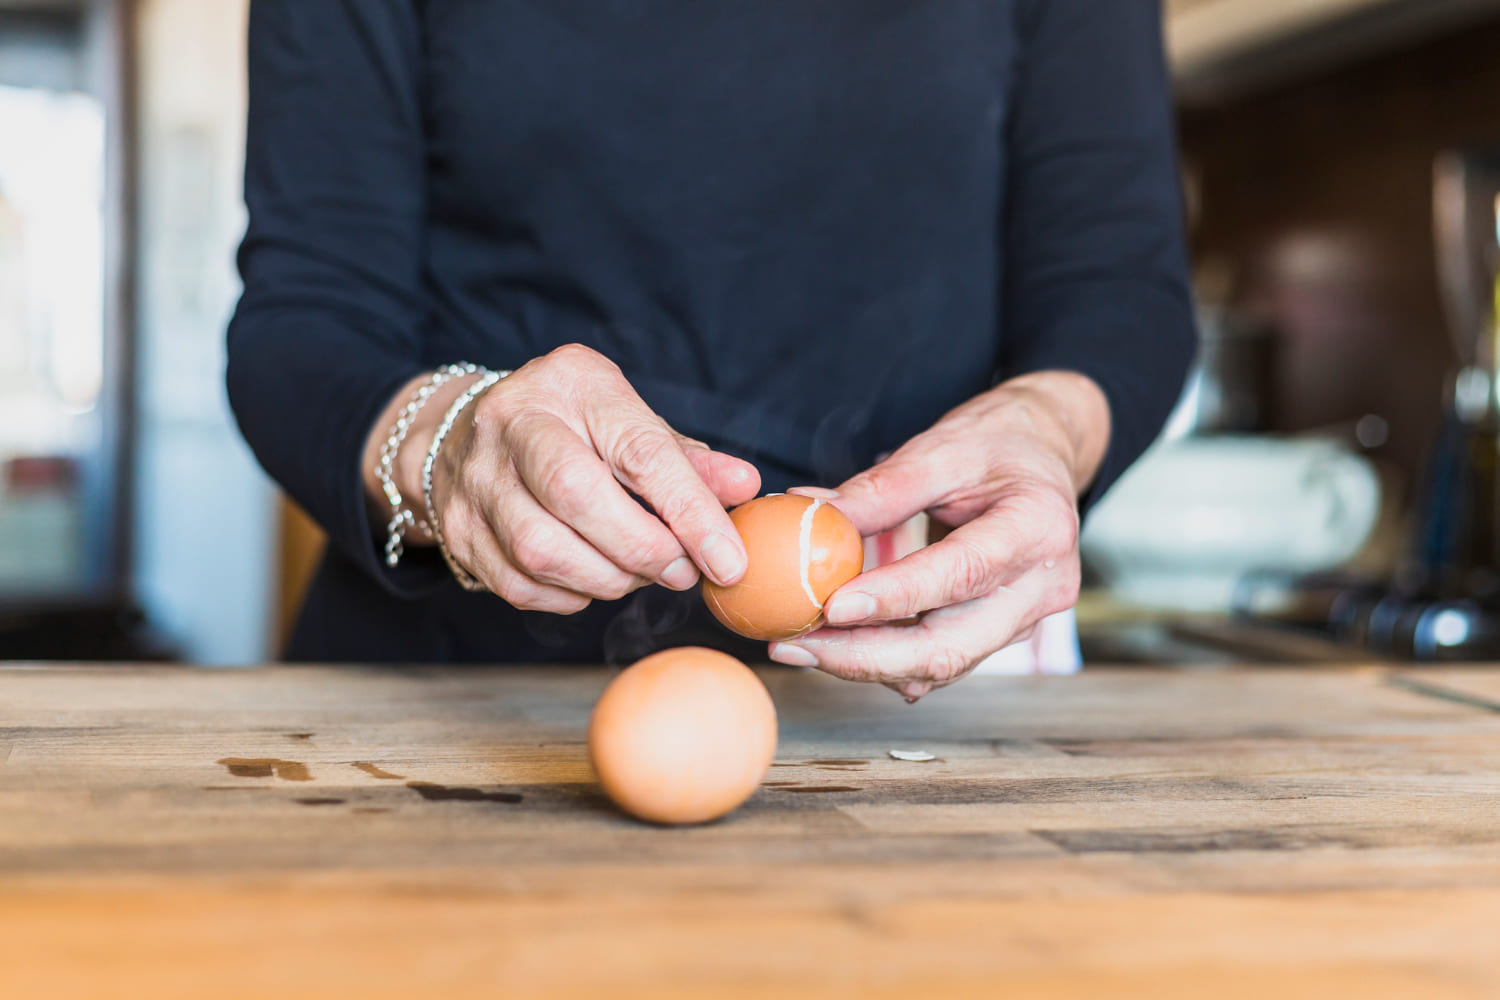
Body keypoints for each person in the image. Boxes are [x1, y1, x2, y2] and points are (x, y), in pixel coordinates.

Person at [227, 0, 1194, 700]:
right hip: (451, 701)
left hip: (925, 696)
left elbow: (1118, 290)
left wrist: (1048, 427)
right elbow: (304, 319)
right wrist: (449, 441)